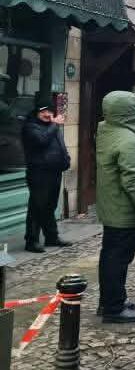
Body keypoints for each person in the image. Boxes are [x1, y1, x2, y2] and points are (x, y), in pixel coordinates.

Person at [95, 87, 135, 323]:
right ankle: (114, 308)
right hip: (124, 211)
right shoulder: (129, 141)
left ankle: (110, 301)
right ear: (128, 113)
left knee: (110, 256)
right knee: (118, 259)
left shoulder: (109, 129)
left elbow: (131, 104)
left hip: (112, 207)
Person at [21, 96, 71, 253]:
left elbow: (60, 144)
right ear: (37, 112)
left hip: (54, 172)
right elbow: (41, 140)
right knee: (37, 207)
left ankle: (51, 237)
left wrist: (66, 159)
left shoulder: (52, 126)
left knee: (50, 206)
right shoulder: (30, 127)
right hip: (39, 173)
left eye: (50, 111)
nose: (47, 114)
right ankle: (31, 240)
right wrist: (55, 124)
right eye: (43, 111)